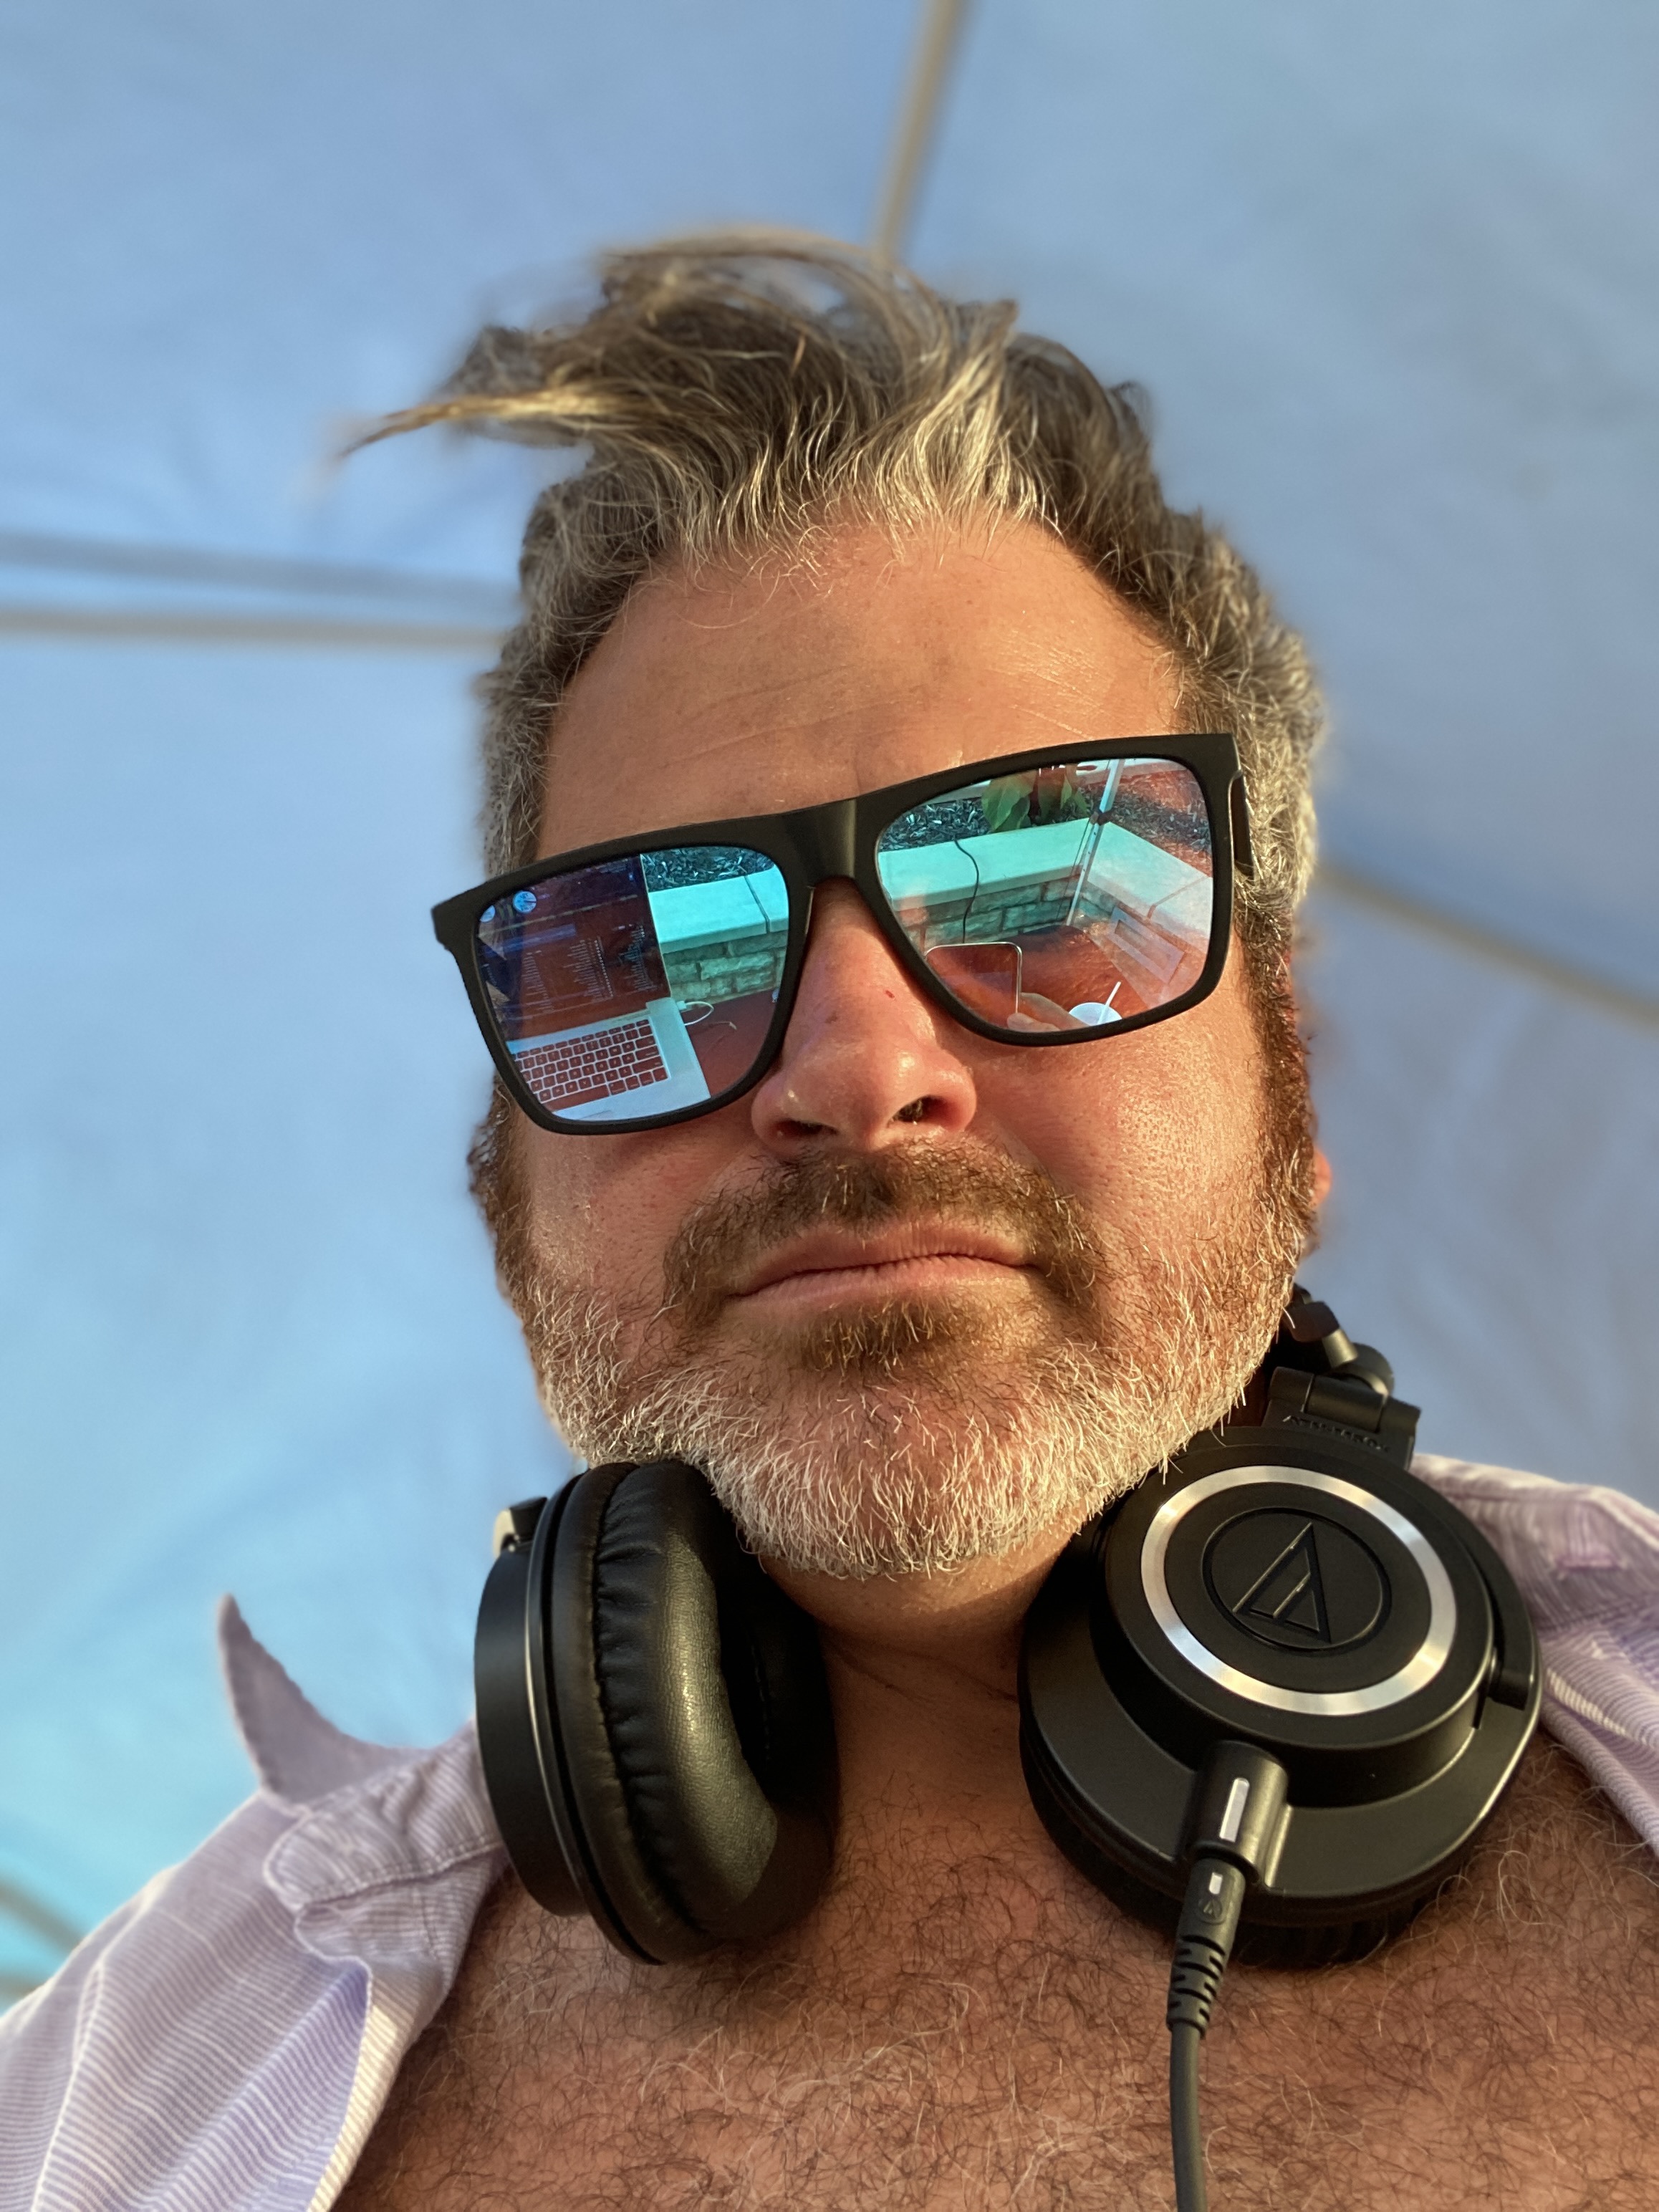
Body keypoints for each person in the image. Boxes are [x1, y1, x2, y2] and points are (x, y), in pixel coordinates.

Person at [4, 237, 1658, 2211]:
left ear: (1285, 1076)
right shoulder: (106, 2095)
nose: (857, 1069)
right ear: (505, 1179)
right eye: (653, 955)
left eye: (1049, 896)